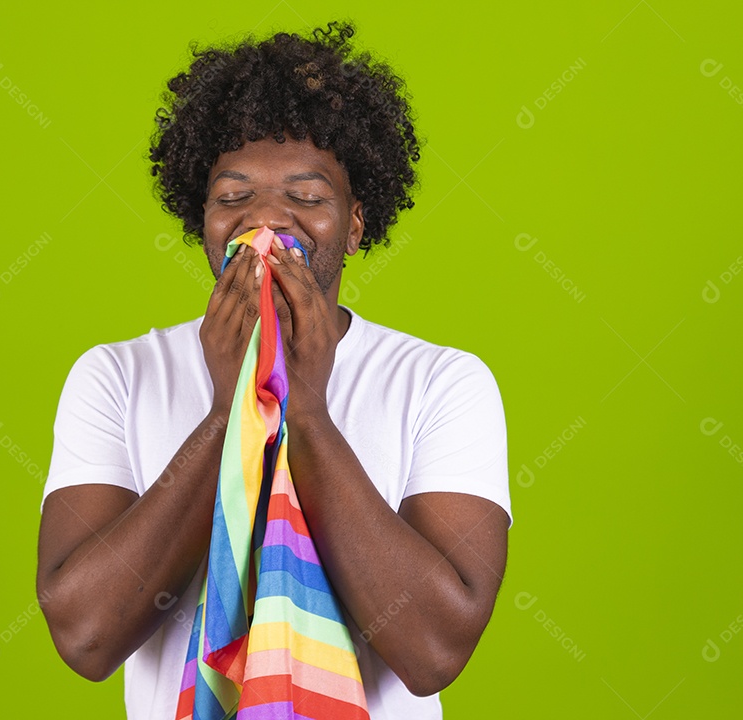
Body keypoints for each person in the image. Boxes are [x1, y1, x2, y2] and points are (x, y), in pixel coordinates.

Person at [36, 20, 512, 720]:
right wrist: (231, 413)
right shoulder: (115, 376)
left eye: (307, 197)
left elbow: (432, 649)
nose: (265, 221)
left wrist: (307, 412)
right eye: (232, 197)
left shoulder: (441, 382)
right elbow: (86, 636)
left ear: (353, 224)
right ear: (200, 217)